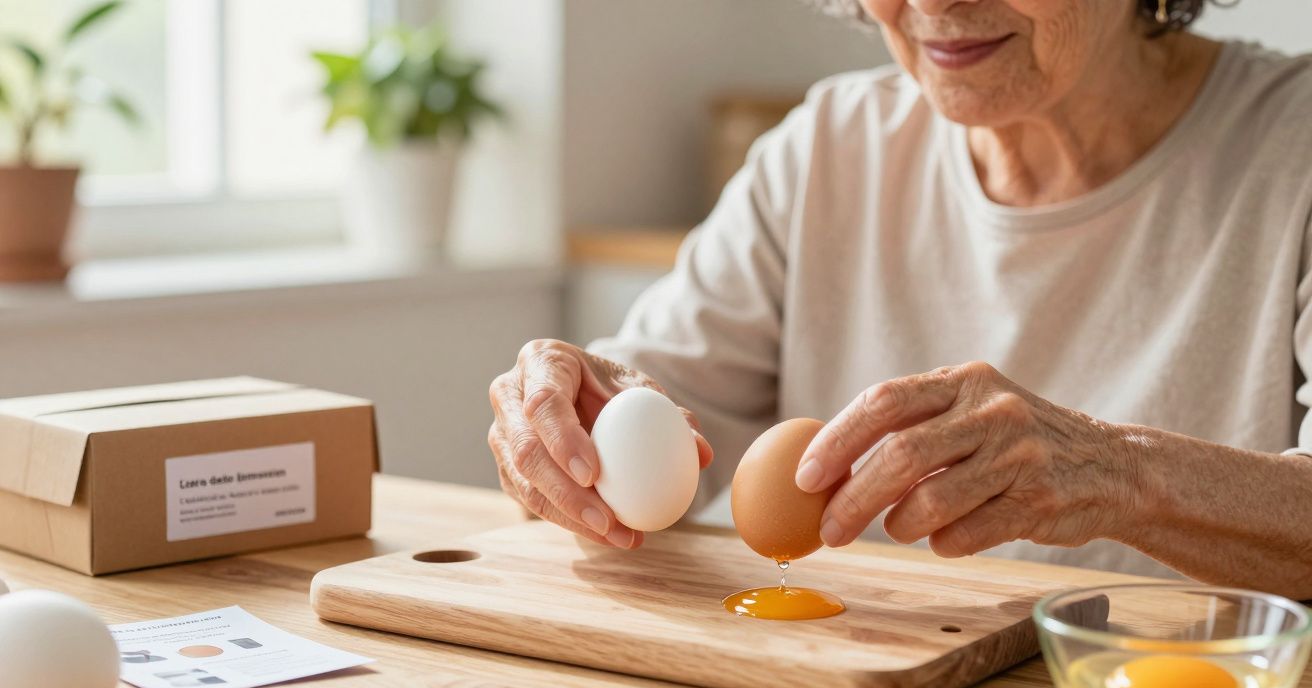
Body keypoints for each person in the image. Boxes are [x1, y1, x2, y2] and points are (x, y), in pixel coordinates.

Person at [488, 0, 1312, 599]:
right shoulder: (826, 149)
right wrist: (569, 430)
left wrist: (1118, 472)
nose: (934, 3)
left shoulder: (1292, 144)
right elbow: (647, 410)